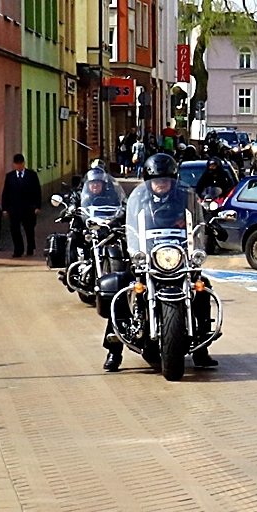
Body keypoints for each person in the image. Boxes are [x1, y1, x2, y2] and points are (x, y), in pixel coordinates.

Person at [106, 153, 219, 371]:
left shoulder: (184, 197)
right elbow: (124, 215)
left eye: (165, 180)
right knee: (121, 286)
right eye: (157, 181)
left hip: (178, 256)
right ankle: (114, 350)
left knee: (202, 287)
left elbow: (199, 215)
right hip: (147, 256)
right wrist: (110, 225)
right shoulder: (138, 199)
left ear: (173, 180)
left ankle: (201, 348)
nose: (161, 184)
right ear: (148, 181)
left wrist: (211, 223)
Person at [1, 153, 44, 257]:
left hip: (29, 208)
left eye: (20, 164)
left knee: (29, 229)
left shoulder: (31, 175)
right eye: (16, 164)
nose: (18, 166)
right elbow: (5, 193)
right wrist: (5, 208)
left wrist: (38, 206)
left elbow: (37, 191)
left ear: (23, 163)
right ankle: (18, 250)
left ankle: (30, 248)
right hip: (14, 208)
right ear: (14, 164)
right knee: (15, 229)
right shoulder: (10, 176)